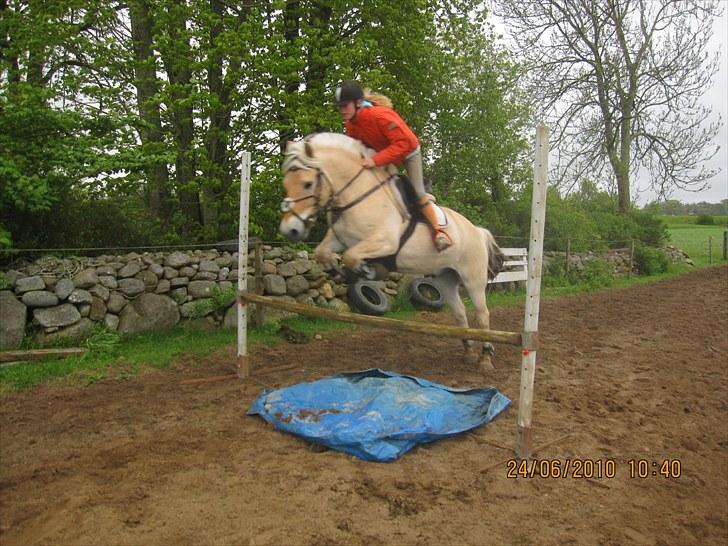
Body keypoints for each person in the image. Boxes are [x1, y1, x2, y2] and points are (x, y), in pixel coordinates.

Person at [333, 80, 453, 251]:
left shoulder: (379, 115)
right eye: (340, 107)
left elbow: (403, 144)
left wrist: (374, 161)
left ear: (358, 103)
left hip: (409, 151)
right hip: (387, 154)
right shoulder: (351, 123)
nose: (342, 110)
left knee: (417, 192)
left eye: (345, 105)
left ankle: (439, 232)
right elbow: (357, 147)